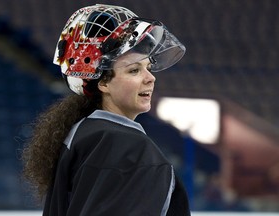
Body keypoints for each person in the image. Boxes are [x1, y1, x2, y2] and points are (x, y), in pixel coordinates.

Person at [22, 4, 190, 216]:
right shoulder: (130, 149)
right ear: (103, 83)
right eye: (134, 70)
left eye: (148, 67)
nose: (150, 77)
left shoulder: (81, 134)